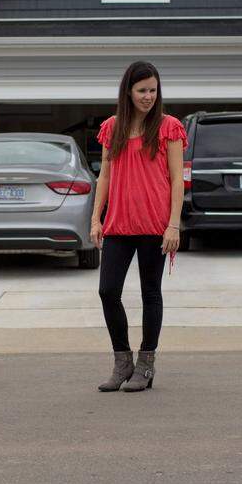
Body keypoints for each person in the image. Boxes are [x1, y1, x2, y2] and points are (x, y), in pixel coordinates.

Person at [91, 61, 186, 392]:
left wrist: (173, 225)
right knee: (108, 291)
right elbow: (104, 176)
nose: (148, 96)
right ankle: (122, 363)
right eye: (142, 90)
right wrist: (95, 217)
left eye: (153, 90)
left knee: (150, 293)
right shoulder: (112, 128)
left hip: (154, 225)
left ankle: (146, 365)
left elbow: (177, 180)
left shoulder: (168, 126)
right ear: (128, 92)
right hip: (118, 225)